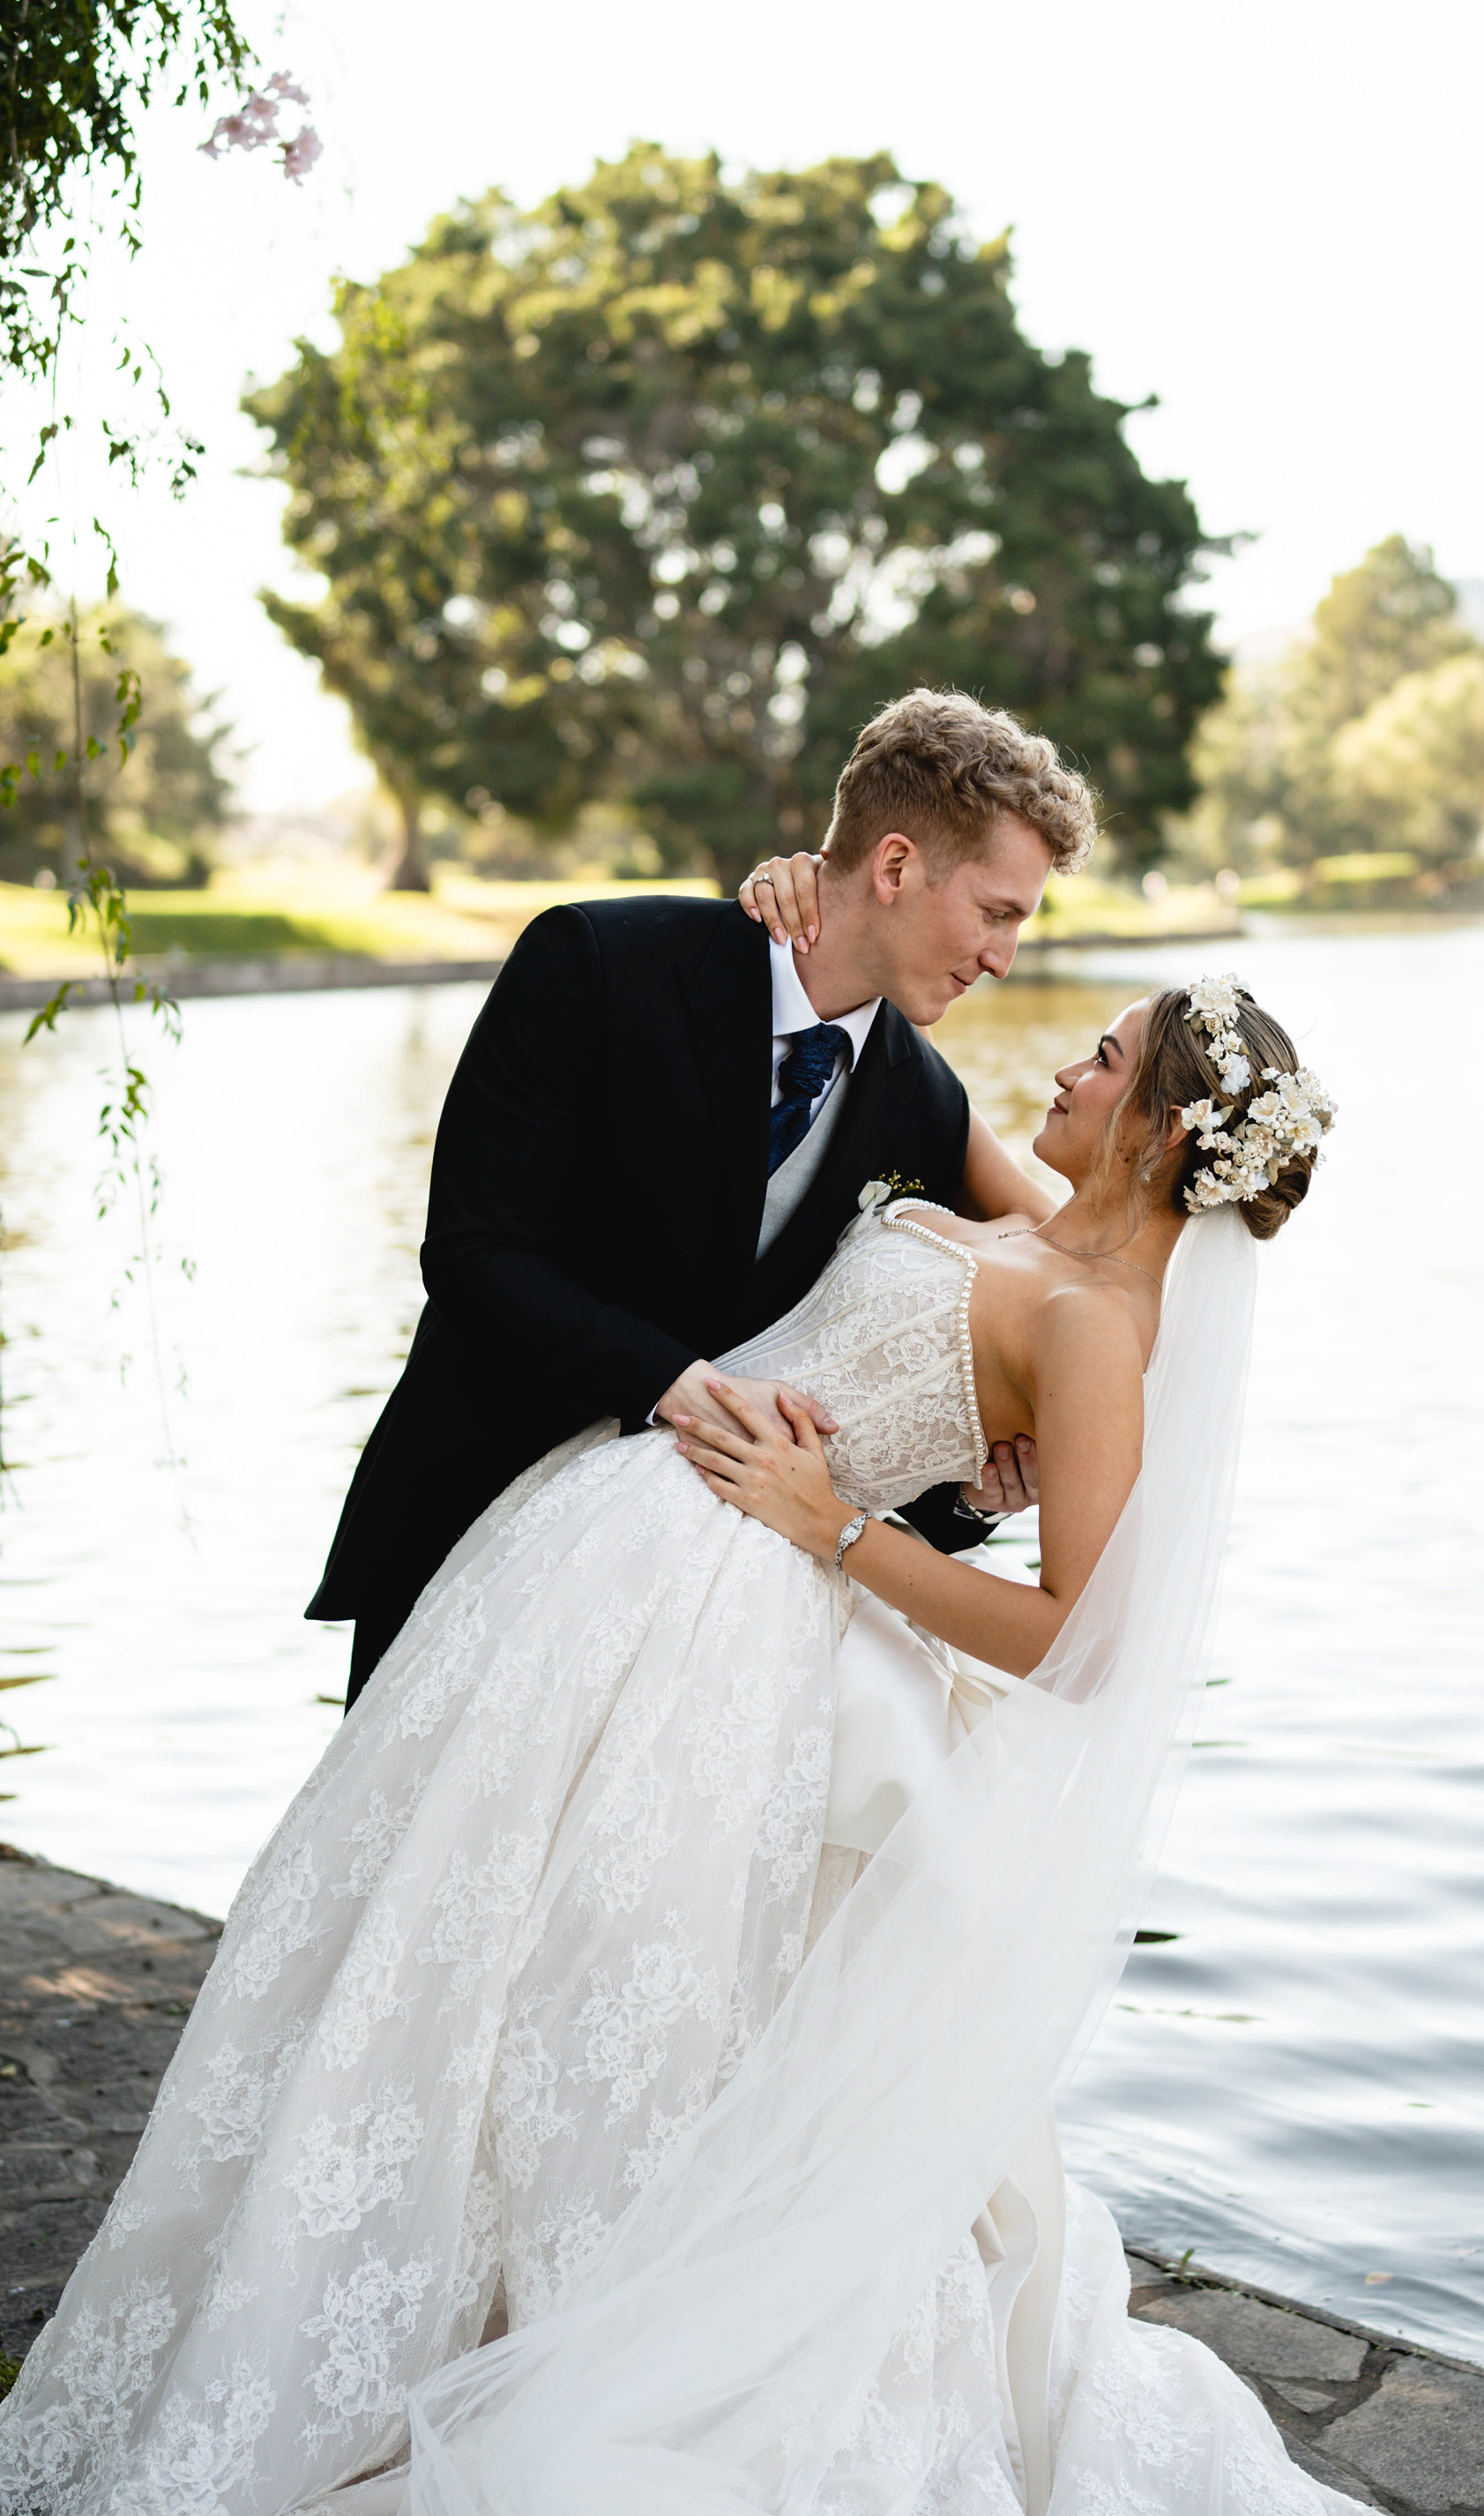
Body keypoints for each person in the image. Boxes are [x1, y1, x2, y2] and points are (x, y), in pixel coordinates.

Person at [0, 970, 1344, 2516]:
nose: (1065, 1065)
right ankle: (392, 2308)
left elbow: (1078, 1646)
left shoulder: (1099, 1328)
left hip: (745, 1633)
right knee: (458, 1953)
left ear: (1164, 1128)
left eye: (1101, 1060)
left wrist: (834, 1526)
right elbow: (896, 1058)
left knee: (617, 2002)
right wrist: (787, 900)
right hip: (602, 1563)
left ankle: (557, 2336)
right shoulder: (1035, 1219)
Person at [309, 688, 1085, 1710]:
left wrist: (972, 1493)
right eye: (996, 913)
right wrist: (683, 1387)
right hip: (465, 1522)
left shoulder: (926, 1105)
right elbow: (472, 1252)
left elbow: (858, 1401)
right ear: (894, 866)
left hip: (682, 1630)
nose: (1002, 956)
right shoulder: (595, 964)